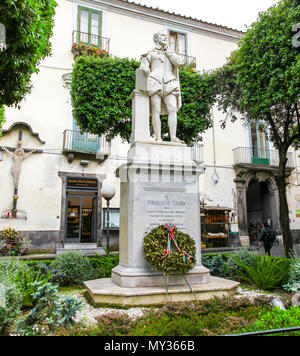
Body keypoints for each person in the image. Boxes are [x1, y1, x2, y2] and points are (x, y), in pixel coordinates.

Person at [139, 30, 183, 143]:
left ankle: (173, 137)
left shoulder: (170, 53)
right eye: (162, 35)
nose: (165, 37)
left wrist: (168, 51)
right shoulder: (150, 53)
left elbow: (179, 63)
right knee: (156, 110)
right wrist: (145, 68)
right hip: (155, 81)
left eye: (165, 36)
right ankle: (158, 137)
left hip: (169, 82)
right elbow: (143, 65)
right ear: (156, 39)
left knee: (173, 108)